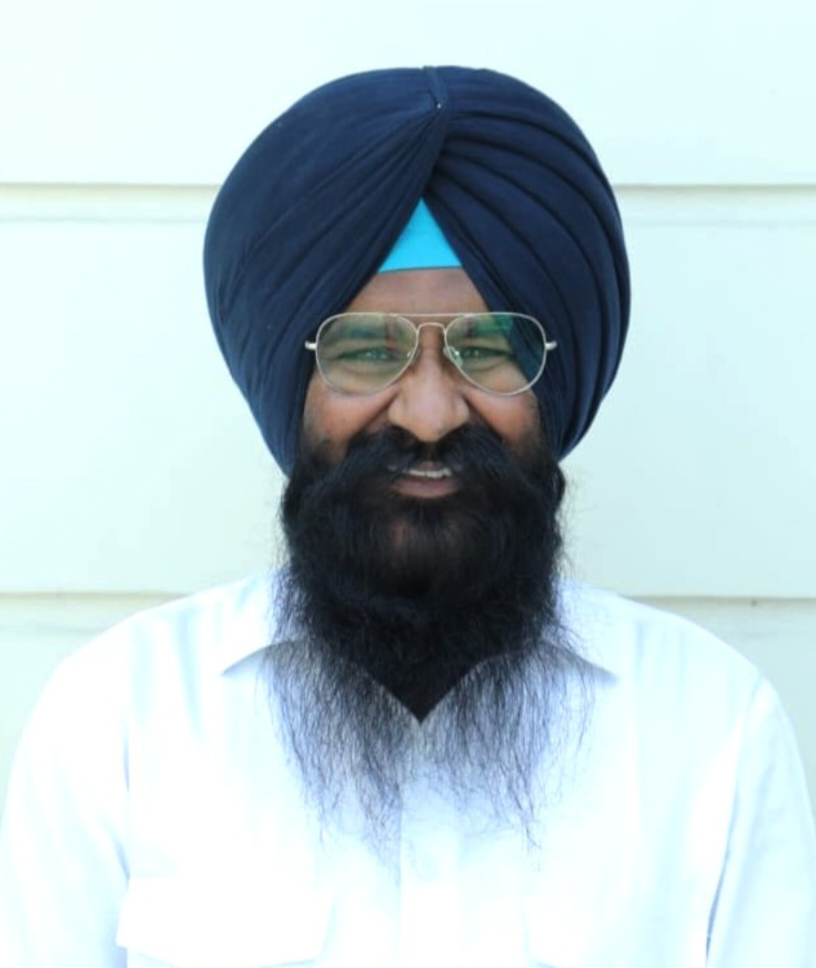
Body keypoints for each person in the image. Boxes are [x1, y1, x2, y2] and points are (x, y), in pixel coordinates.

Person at [1, 66, 815, 967]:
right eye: (366, 350)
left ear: (550, 384)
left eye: (488, 349)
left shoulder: (712, 728)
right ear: (294, 385)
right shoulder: (118, 719)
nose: (429, 416)